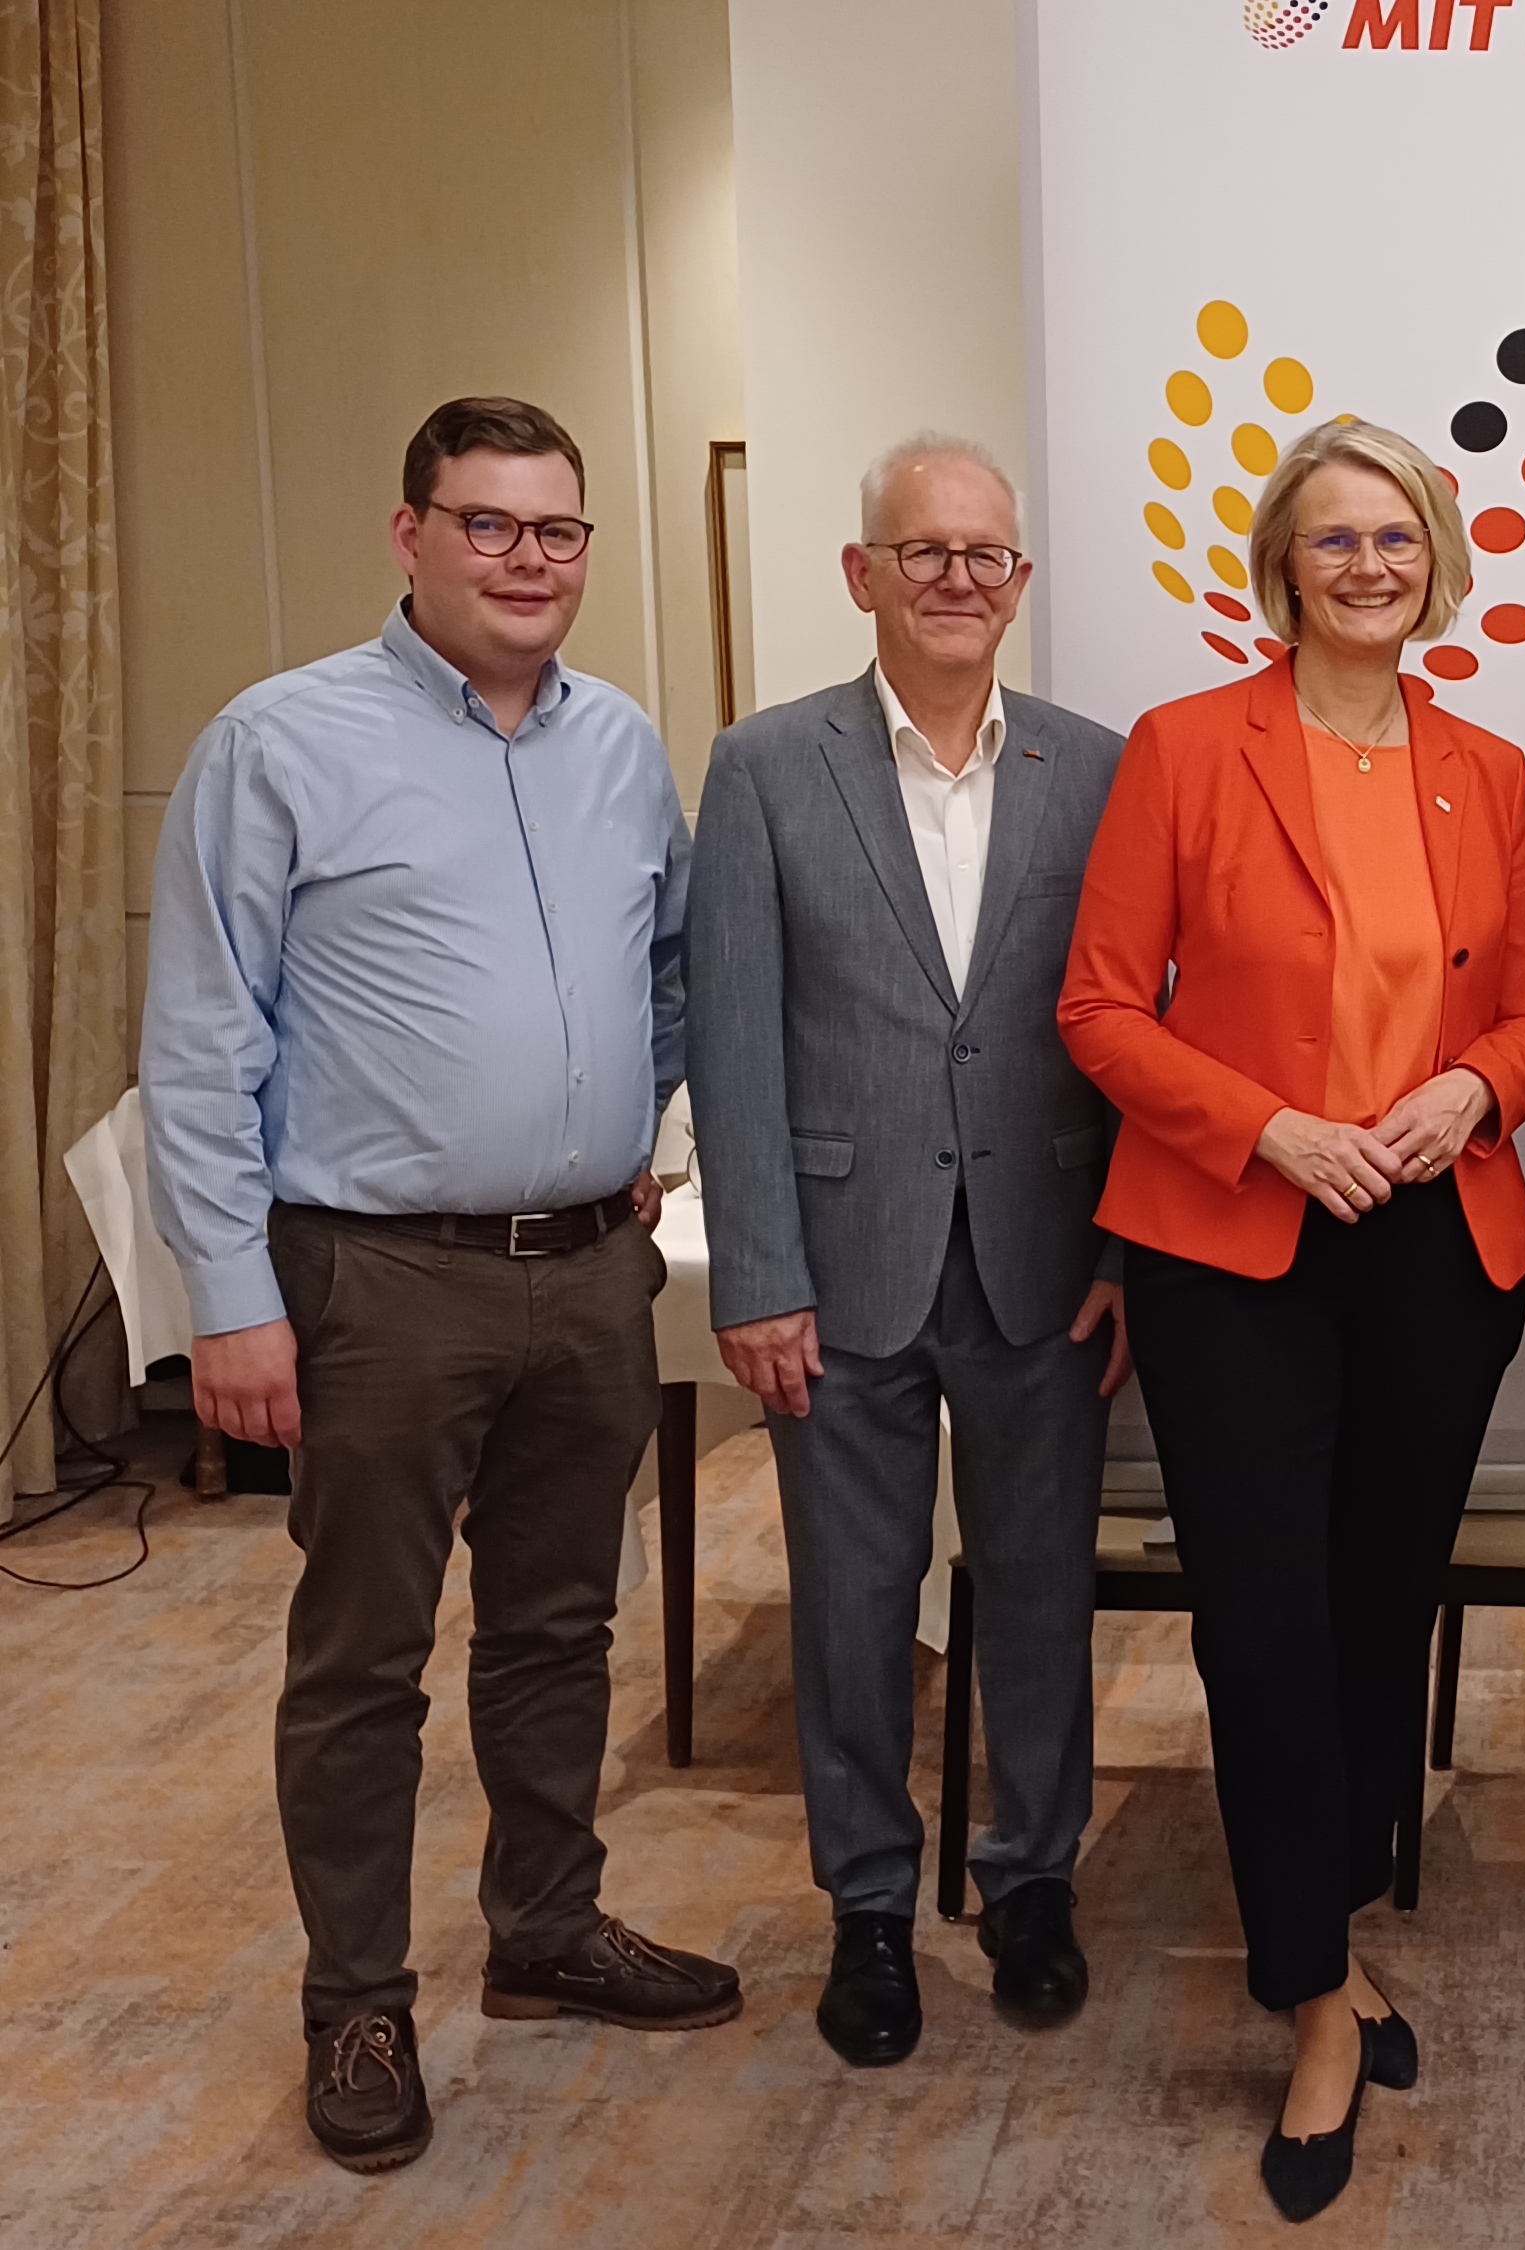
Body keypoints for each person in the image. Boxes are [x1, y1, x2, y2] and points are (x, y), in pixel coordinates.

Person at [141, 396, 738, 2175]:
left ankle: (546, 1927)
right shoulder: (280, 743)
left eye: (557, 530)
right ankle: (356, 2002)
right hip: (378, 1278)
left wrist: (624, 1118)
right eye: (489, 524)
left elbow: (667, 971)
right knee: (364, 1657)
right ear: (410, 535)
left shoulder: (619, 743)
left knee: (561, 1626)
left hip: (591, 1265)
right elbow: (201, 1041)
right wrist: (228, 1296)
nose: (527, 560)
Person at [1058, 417, 1525, 2222]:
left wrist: (1473, 1092)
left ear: (1438, 561)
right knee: (1262, 1632)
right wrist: (1268, 1127)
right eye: (1336, 538)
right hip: (1237, 1240)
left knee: (1374, 1615)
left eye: (1398, 537)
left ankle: (1331, 1937)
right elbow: (1101, 1009)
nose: (1370, 565)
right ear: (1283, 565)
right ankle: (1314, 2003)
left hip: (1435, 1247)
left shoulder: (1487, 766)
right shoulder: (1188, 748)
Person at [687, 434, 1129, 2067]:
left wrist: (1126, 1256)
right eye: (922, 550)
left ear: (1020, 582)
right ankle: (868, 1904)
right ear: (863, 572)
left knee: (1041, 1594)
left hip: (1046, 1263)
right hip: (838, 1267)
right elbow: (732, 1036)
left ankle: (1032, 1882)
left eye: (983, 554)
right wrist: (757, 1272)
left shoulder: (1096, 767)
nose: (956, 577)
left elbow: (1133, 1032)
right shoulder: (763, 767)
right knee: (854, 1603)